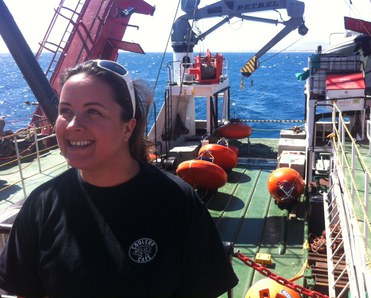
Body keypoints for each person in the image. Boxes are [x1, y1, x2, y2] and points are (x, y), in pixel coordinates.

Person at [0, 60, 238, 297]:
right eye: (65, 111)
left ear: (128, 128)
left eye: (93, 111)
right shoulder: (41, 205)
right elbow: (25, 291)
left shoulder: (177, 202)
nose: (73, 125)